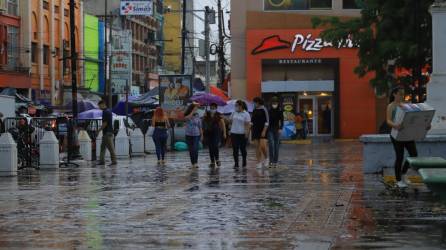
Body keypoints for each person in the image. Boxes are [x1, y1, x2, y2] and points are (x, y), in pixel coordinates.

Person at [386, 86, 430, 188]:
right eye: (400, 93)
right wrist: (395, 125)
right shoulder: (391, 106)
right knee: (399, 156)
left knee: (413, 154)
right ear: (394, 94)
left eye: (403, 94)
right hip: (396, 134)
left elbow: (414, 120)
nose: (402, 96)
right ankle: (398, 180)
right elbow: (388, 120)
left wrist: (425, 125)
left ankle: (403, 173)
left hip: (408, 134)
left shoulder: (406, 105)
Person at [203, 103, 227, 168]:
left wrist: (224, 133)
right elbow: (204, 122)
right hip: (208, 133)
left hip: (216, 132)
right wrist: (204, 116)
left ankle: (217, 159)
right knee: (210, 147)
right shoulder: (207, 114)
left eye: (213, 108)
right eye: (211, 108)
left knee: (215, 146)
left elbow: (223, 123)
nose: (212, 109)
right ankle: (212, 162)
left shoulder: (218, 114)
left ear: (216, 108)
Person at [230, 100, 251, 168]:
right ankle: (236, 163)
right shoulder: (233, 113)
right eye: (235, 105)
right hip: (234, 133)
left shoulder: (246, 114)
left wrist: (247, 133)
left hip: (242, 134)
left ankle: (244, 161)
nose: (236, 107)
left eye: (237, 105)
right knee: (235, 149)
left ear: (241, 106)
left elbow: (248, 124)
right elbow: (230, 121)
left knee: (242, 149)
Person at [97, 100, 117, 166]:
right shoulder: (107, 111)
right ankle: (102, 161)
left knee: (111, 148)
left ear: (103, 104)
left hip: (107, 133)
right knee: (102, 147)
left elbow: (105, 123)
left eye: (99, 106)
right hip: (107, 132)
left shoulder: (106, 112)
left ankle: (114, 161)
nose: (99, 107)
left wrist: (99, 130)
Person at [251, 97, 269, 168]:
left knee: (262, 146)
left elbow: (267, 121)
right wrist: (250, 129)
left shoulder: (264, 109)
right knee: (257, 147)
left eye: (254, 102)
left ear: (258, 102)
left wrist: (264, 130)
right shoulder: (254, 110)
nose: (254, 104)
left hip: (263, 129)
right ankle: (259, 162)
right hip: (255, 129)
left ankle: (266, 158)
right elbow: (252, 120)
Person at [184, 103, 203, 168]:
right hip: (188, 134)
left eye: (196, 108)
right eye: (195, 108)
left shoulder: (198, 115)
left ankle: (195, 163)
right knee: (191, 149)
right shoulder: (187, 114)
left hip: (196, 134)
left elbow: (200, 126)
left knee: (195, 148)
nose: (196, 109)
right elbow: (187, 118)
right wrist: (192, 111)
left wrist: (202, 135)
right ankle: (192, 163)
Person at [267, 97, 284, 167]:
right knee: (271, 145)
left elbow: (282, 120)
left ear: (277, 103)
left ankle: (275, 161)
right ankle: (271, 161)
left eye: (276, 103)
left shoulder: (280, 110)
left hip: (277, 129)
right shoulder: (269, 110)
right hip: (270, 129)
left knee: (276, 145)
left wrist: (281, 128)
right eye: (273, 103)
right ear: (271, 103)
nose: (274, 104)